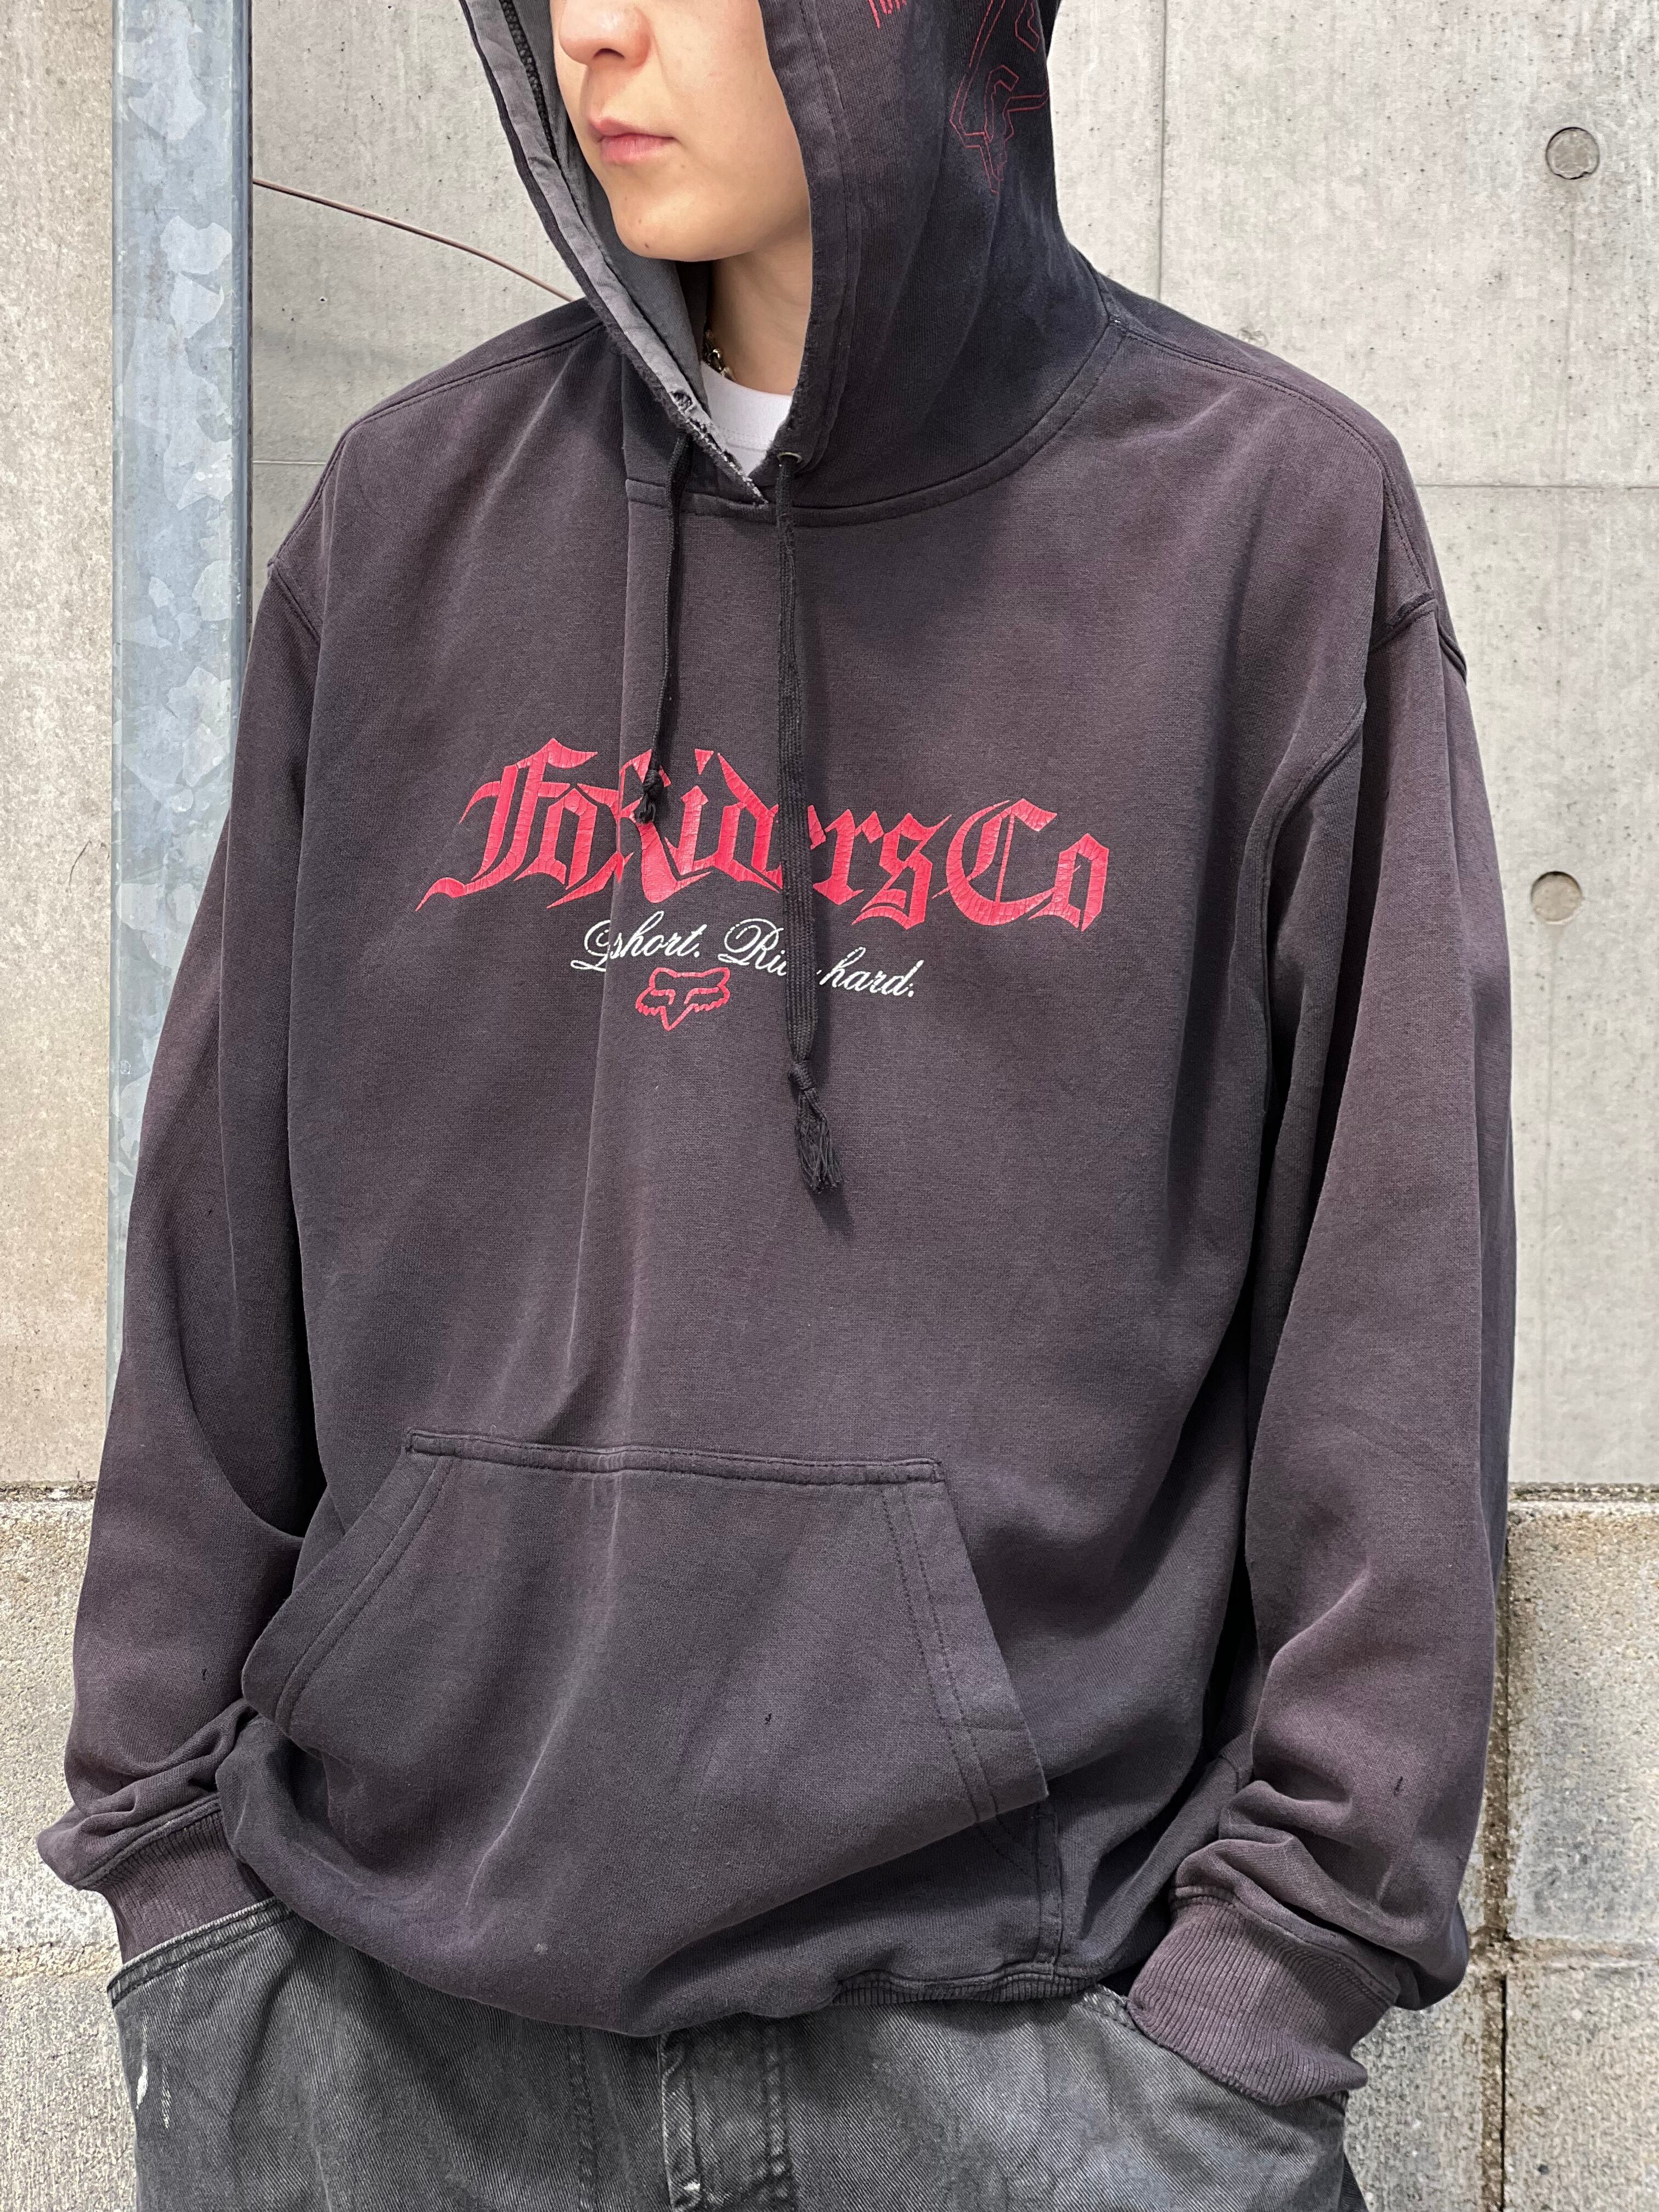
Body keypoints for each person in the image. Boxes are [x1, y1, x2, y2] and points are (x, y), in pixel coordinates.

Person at [38, 1, 1514, 2206]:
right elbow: (211, 1271)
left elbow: (1391, 1319)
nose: (598, 33)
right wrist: (181, 1892)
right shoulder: (409, 525)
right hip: (390, 2057)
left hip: (1035, 2080)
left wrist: (1255, 2010)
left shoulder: (1259, 531)